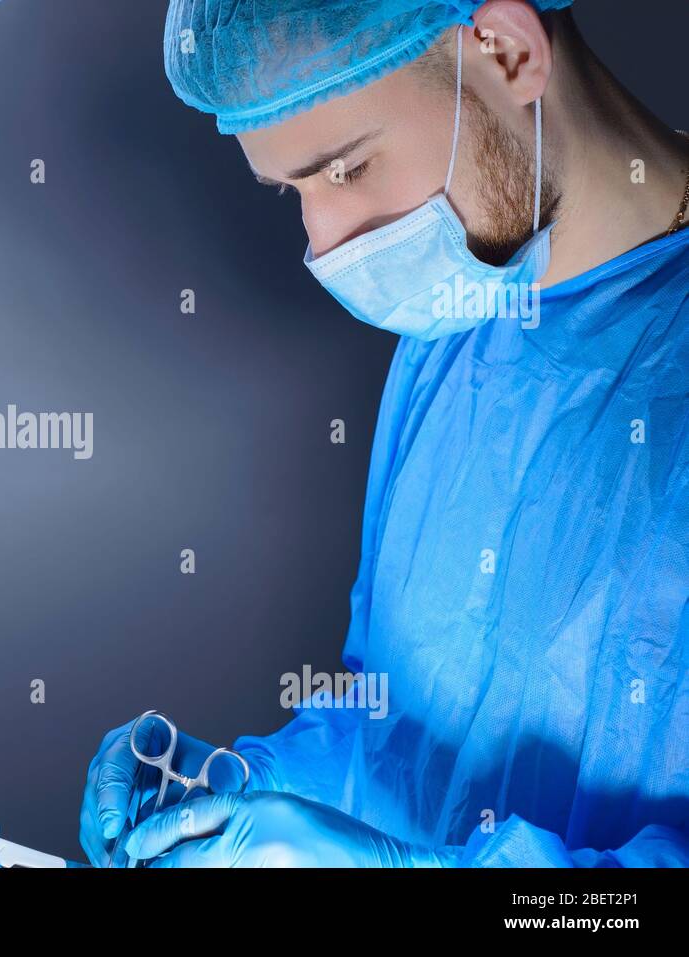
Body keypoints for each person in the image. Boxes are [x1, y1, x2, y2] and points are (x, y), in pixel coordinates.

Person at [82, 0, 689, 867]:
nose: (324, 242)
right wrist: (249, 788)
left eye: (347, 170)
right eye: (293, 192)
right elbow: (398, 720)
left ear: (508, 53)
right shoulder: (461, 327)